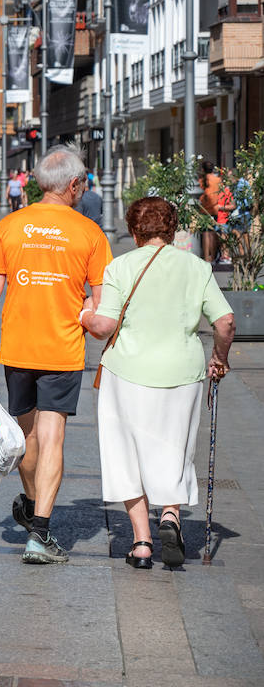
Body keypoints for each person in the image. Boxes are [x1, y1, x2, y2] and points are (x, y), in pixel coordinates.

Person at [0, 149, 112, 564]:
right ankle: (41, 533)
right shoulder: (89, 233)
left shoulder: (11, 225)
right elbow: (101, 309)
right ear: (73, 186)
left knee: (27, 437)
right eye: (82, 185)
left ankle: (33, 509)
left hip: (18, 348)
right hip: (62, 349)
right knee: (52, 438)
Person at [82, 197, 234, 569]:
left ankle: (141, 543)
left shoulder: (120, 267)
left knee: (126, 454)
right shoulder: (197, 267)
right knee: (175, 449)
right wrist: (220, 357)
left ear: (134, 231)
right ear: (171, 228)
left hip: (128, 373)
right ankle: (170, 516)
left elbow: (103, 327)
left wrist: (85, 312)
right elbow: (226, 322)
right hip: (182, 373)